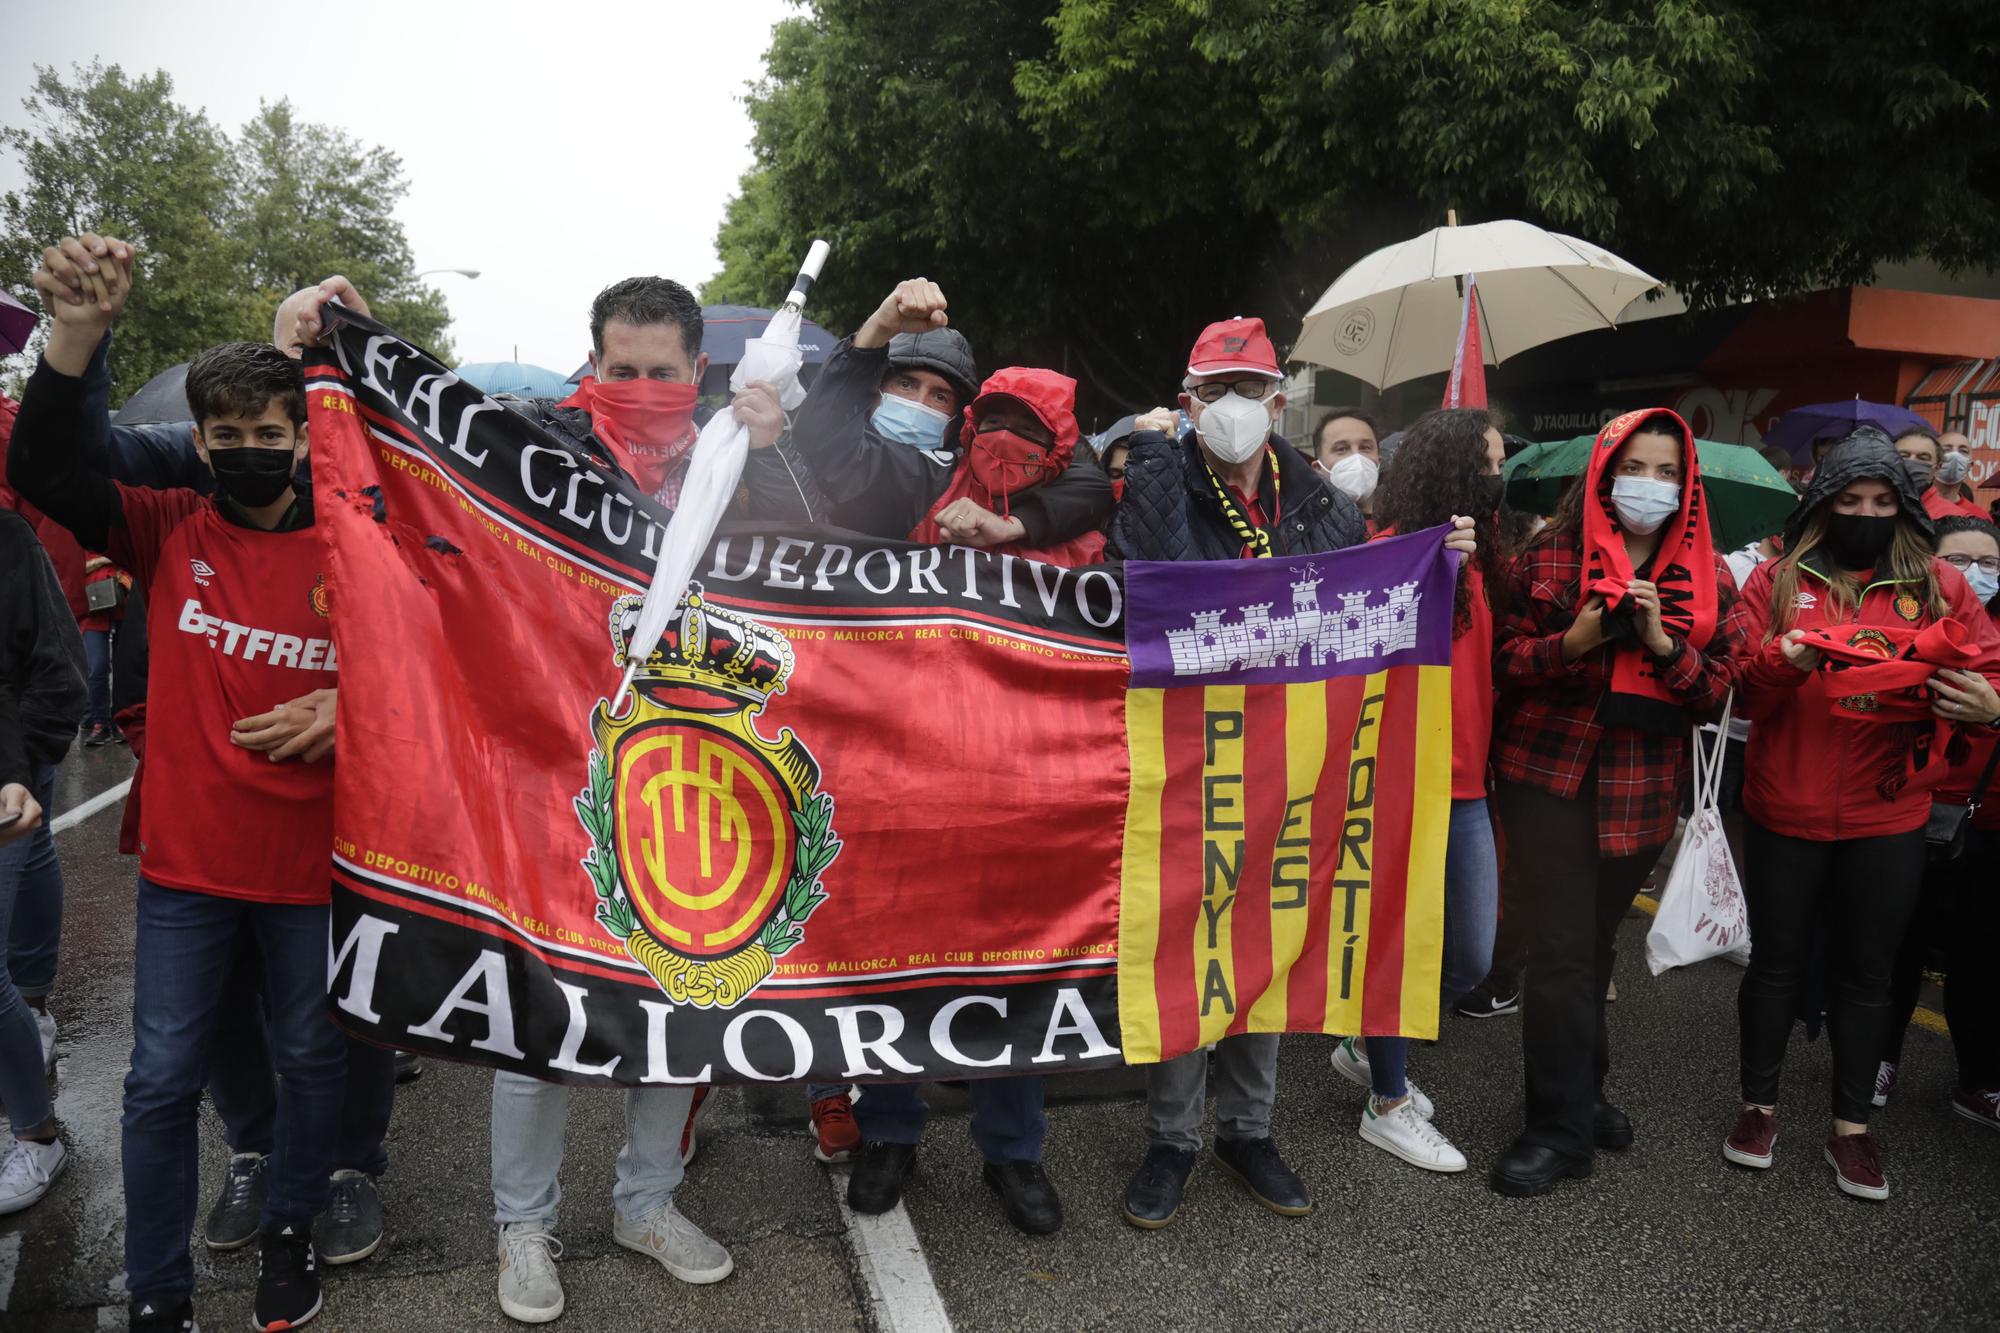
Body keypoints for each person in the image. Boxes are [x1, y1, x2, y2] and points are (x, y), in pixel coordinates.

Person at [13, 236, 343, 1332]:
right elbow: (47, 468)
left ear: (302, 439)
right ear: (197, 443)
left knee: (308, 1054)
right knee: (158, 1082)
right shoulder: (164, 525)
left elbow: (444, 667)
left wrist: (355, 702)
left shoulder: (358, 552)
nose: (248, 450)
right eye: (228, 436)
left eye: (268, 434)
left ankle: (293, 1225)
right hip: (189, 870)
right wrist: (78, 335)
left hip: (313, 868)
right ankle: (157, 1293)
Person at [1109, 317, 1472, 1226]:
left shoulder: (1321, 503)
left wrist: (1446, 574)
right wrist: (1156, 467)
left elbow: (1378, 623)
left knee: (1263, 932)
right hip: (1190, 752)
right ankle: (1172, 1138)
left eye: (1250, 390)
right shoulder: (1161, 478)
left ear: (1278, 399)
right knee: (1189, 937)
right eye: (1213, 392)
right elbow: (1140, 584)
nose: (1233, 409)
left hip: (1292, 755)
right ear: (1188, 401)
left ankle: (1248, 1129)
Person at [1724, 431, 2000, 1200]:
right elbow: (1740, 685)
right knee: (1774, 962)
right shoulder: (1777, 582)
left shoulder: (1942, 585)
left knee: (1869, 973)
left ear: (1905, 507)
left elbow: (1990, 670)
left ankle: (1852, 1127)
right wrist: (1787, 659)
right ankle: (1758, 1106)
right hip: (1786, 803)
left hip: (1892, 813)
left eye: (1883, 502)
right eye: (1851, 500)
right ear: (1822, 503)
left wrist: (1990, 704)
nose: (1867, 515)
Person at [1489, 408, 1747, 1198]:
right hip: (1547, 777)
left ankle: (1584, 1089)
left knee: (1595, 945)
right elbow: (1506, 662)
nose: (1652, 484)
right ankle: (1556, 1128)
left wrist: (1665, 644)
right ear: (1606, 468)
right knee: (1560, 949)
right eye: (1638, 466)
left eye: (1670, 471)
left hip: (1640, 788)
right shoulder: (1546, 554)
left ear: (1688, 483)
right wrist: (1579, 640)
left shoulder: (1713, 576)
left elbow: (1715, 691)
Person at [1329, 407, 1505, 1173]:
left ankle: (1370, 1040)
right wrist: (1436, 568)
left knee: (1470, 954)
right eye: (1489, 463)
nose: (1500, 476)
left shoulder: (1480, 550)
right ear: (1455, 475)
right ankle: (1388, 1102)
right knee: (1399, 946)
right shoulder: (1389, 551)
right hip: (1403, 780)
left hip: (1468, 783)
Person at [780, 277, 1113, 549]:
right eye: (906, 385)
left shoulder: (1077, 511)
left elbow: (1095, 486)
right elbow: (820, 440)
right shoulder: (928, 481)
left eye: (940, 396)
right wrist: (879, 328)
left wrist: (1014, 526)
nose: (1005, 439)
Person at [1874, 514, 2000, 1124]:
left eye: (1990, 564)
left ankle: (1978, 1080)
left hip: (1990, 818)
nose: (1976, 576)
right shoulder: (1894, 614)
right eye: (1961, 561)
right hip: (1907, 807)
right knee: (1896, 943)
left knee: (1982, 953)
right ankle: (1877, 1057)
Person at [0, 500, 84, 1216]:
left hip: (10, 763)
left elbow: (55, 671)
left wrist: (21, 768)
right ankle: (30, 1008)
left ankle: (37, 1131)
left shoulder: (9, 538)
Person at [1893, 426, 1986, 522]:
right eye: (1904, 455)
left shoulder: (1961, 518)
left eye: (1923, 458)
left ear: (1938, 466)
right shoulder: (1881, 503)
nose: (1911, 461)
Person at [1313, 406, 1383, 522]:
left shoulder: (1404, 524)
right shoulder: (1307, 528)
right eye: (1341, 449)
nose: (1357, 457)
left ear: (1379, 461)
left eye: (1365, 447)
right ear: (1318, 468)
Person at [1935, 430, 1982, 512]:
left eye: (1963, 451)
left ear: (1970, 464)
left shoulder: (1979, 516)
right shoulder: (1913, 506)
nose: (1955, 455)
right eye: (1946, 450)